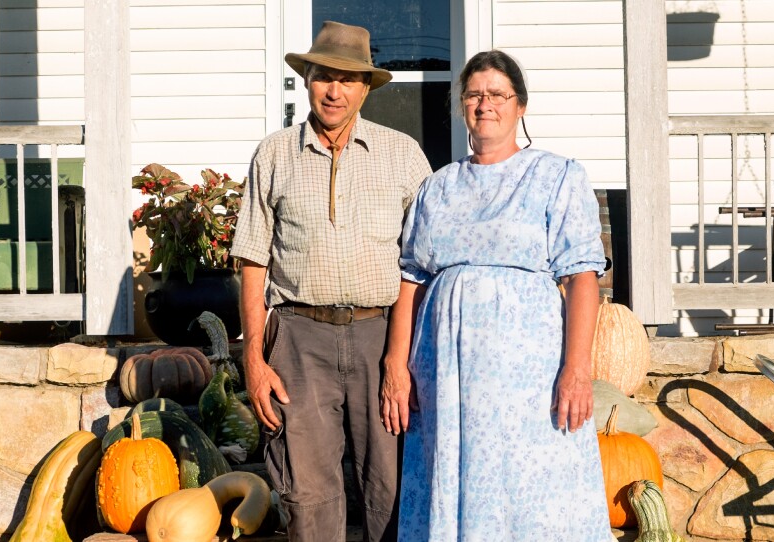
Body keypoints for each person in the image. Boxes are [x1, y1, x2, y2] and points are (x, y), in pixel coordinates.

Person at [380, 50, 612, 540]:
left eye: (497, 95)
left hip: (528, 379)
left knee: (531, 485)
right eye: (474, 94)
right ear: (462, 104)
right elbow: (411, 280)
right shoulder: (437, 188)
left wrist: (577, 369)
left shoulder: (557, 176)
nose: (485, 104)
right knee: (455, 477)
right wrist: (396, 367)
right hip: (446, 377)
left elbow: (582, 276)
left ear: (520, 105)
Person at [230, 21, 432, 542]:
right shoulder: (273, 155)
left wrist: (405, 357)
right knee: (307, 491)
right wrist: (253, 360)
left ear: (367, 88)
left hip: (382, 337)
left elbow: (428, 262)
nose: (335, 90)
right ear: (307, 80)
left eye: (348, 79)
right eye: (324, 76)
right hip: (298, 338)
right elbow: (252, 262)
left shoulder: (403, 155)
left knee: (390, 483)